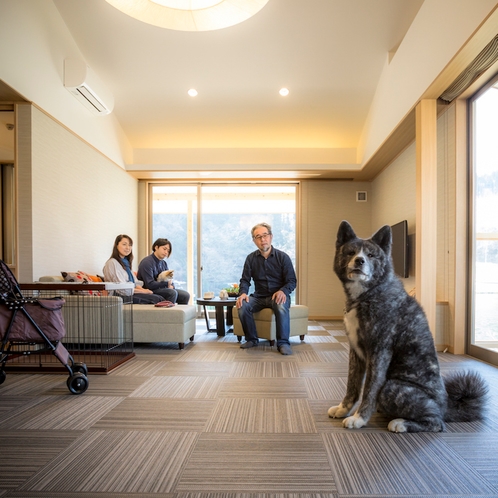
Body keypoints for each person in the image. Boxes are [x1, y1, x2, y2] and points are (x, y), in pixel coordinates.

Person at [236, 222, 297, 355]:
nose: (262, 239)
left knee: (281, 305)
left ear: (271, 237)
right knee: (242, 305)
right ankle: (252, 339)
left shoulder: (283, 257)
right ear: (254, 241)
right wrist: (243, 293)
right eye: (258, 237)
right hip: (259, 297)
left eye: (265, 235)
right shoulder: (250, 259)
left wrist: (283, 291)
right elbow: (245, 280)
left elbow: (292, 281)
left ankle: (283, 343)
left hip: (277, 296)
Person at [103, 234, 165, 305]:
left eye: (130, 245)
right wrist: (143, 292)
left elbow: (135, 282)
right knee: (156, 299)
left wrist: (144, 290)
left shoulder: (126, 263)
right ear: (116, 245)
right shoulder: (112, 263)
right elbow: (122, 289)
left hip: (129, 294)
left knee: (159, 297)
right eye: (124, 244)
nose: (127, 248)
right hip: (119, 297)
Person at [137, 238, 190, 304]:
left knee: (185, 295)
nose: (166, 252)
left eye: (168, 251)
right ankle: (167, 314)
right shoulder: (147, 262)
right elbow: (149, 284)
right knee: (172, 293)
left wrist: (172, 286)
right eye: (164, 249)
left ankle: (178, 314)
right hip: (150, 290)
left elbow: (169, 278)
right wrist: (167, 284)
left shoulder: (163, 263)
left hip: (161, 288)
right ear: (156, 247)